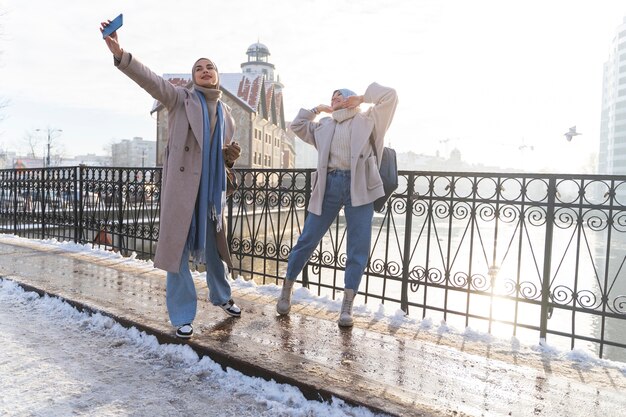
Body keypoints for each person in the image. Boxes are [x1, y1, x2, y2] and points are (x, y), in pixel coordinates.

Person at [101, 20, 243, 339]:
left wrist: (228, 156)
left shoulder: (227, 115)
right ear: (193, 77)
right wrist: (121, 55)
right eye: (199, 68)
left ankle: (222, 296)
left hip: (209, 192)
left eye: (210, 67)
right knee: (177, 251)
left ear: (217, 76)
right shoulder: (181, 99)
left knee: (214, 250)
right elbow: (151, 81)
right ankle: (181, 315)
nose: (205, 71)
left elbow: (214, 155)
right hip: (182, 190)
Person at [277, 83, 398, 326]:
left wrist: (361, 98)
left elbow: (390, 96)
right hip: (329, 185)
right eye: (331, 96)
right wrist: (317, 109)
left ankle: (347, 307)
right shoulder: (324, 125)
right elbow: (296, 126)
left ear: (350, 99)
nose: (334, 98)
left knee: (357, 247)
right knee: (307, 240)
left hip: (360, 186)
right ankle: (286, 290)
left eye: (339, 95)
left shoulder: (371, 119)